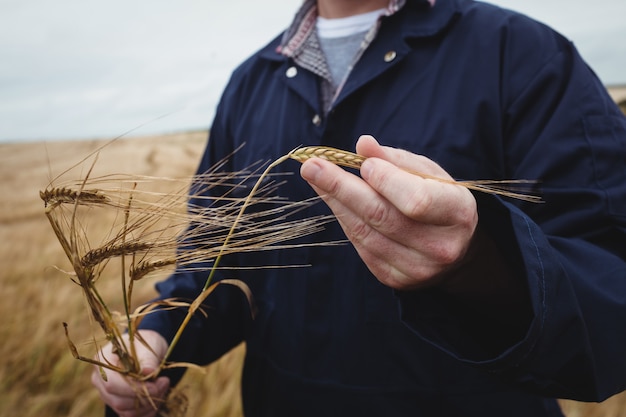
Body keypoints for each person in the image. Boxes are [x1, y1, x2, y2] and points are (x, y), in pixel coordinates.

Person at [92, 0, 626, 416]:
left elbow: (608, 291)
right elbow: (219, 265)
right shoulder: (249, 82)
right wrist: (158, 335)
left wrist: (478, 261)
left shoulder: (526, 55)